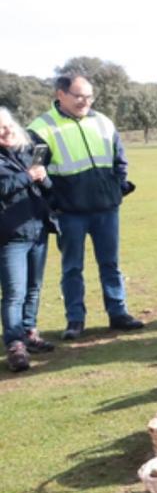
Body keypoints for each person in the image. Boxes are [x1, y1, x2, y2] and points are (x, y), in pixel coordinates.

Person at [28, 74, 143, 340]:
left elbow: (120, 160)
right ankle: (75, 320)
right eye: (79, 95)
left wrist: (117, 188)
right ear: (61, 95)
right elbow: (36, 170)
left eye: (89, 96)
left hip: (106, 208)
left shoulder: (103, 122)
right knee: (72, 268)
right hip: (69, 213)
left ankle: (118, 313)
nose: (85, 101)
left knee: (111, 264)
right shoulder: (41, 127)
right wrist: (55, 201)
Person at [0, 108, 56, 371]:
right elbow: (4, 188)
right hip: (9, 235)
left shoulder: (27, 152)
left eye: (9, 125)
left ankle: (29, 332)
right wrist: (28, 176)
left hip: (37, 229)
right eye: (1, 128)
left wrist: (43, 178)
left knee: (34, 288)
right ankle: (14, 343)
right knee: (14, 293)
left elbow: (47, 188)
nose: (7, 130)